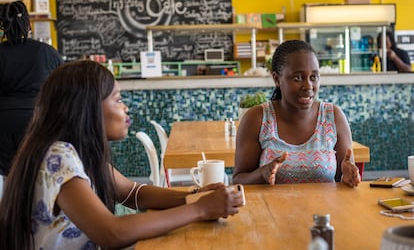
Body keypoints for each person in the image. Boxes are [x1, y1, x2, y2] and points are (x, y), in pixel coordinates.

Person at [0, 60, 244, 249]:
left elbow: (132, 192)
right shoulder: (58, 155)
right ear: (88, 109)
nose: (125, 107)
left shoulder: (79, 153)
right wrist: (199, 209)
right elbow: (111, 233)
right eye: (117, 100)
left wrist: (194, 196)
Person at [232, 40, 360, 187]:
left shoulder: (333, 116)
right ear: (277, 79)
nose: (308, 86)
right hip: (273, 209)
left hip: (324, 210)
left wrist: (347, 176)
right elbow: (238, 179)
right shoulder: (257, 119)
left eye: (313, 77)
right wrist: (262, 174)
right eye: (298, 78)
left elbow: (343, 178)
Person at [0, 0, 63, 175]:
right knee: (35, 174)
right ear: (29, 25)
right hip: (38, 121)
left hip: (3, 123)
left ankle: (9, 202)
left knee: (7, 176)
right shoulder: (47, 52)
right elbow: (63, 87)